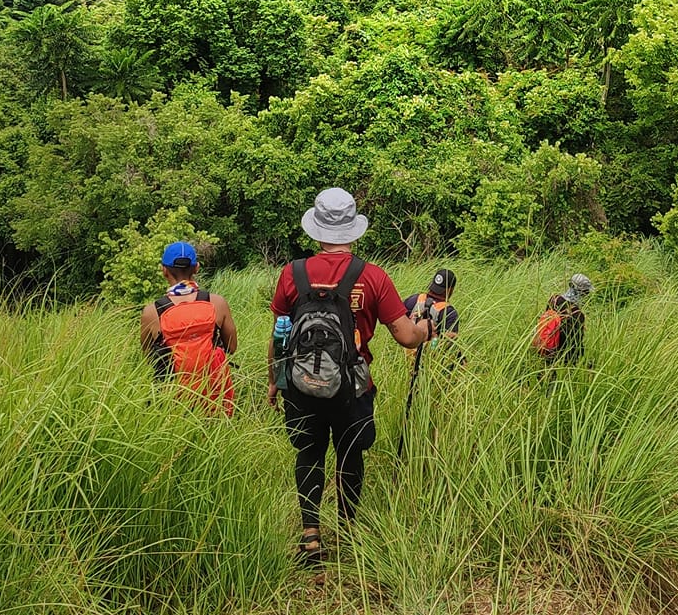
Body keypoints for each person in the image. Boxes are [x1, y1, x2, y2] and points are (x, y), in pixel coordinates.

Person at [268, 187, 436, 563]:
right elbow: (405, 335)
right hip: (353, 387)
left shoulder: (291, 274)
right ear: (353, 231)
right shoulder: (372, 276)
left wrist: (274, 380)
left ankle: (311, 537)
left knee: (309, 452)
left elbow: (280, 332)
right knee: (350, 455)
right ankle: (348, 532)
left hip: (299, 384)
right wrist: (425, 329)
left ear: (317, 230)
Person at [141, 241, 237, 414]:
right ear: (197, 268)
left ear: (164, 270)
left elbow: (149, 357)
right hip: (214, 394)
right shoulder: (217, 303)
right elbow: (232, 347)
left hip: (173, 400)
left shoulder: (151, 312)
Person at [532, 273, 592, 365]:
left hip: (545, 348)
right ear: (582, 292)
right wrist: (583, 360)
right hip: (562, 358)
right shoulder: (578, 314)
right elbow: (576, 343)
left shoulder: (554, 299)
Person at [403, 268, 460, 352]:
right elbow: (450, 343)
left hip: (407, 353)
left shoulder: (414, 300)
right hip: (430, 358)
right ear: (450, 290)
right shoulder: (449, 312)